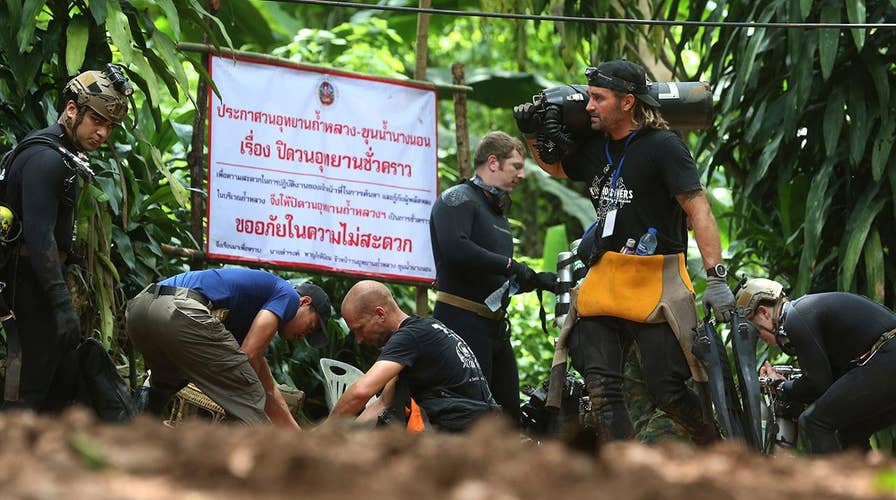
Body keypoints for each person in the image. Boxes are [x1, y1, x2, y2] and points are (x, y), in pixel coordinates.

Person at [513, 60, 734, 445]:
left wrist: (716, 279)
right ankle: (622, 471)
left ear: (628, 101)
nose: (589, 107)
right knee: (602, 393)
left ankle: (717, 448)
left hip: (655, 282)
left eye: (598, 98)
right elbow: (558, 169)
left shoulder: (665, 147)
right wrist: (532, 133)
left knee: (669, 391)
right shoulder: (596, 147)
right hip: (606, 280)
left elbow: (698, 209)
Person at [1, 68, 131, 411]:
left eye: (110, 126)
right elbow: (39, 235)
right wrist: (61, 304)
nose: (102, 132)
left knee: (47, 386)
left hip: (31, 283)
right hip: (26, 284)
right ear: (72, 109)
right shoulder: (48, 157)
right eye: (96, 120)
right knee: (28, 390)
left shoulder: (56, 151)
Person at [429, 131, 557, 424]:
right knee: (473, 413)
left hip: (494, 327)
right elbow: (456, 249)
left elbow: (493, 274)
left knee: (510, 414)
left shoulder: (495, 212)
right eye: (516, 166)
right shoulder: (457, 199)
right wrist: (511, 265)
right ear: (493, 162)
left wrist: (536, 279)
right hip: (461, 322)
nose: (522, 175)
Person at [126, 268, 332, 429]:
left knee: (165, 383)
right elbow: (250, 357)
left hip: (140, 309)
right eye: (311, 326)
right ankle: (262, 465)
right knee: (250, 393)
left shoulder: (247, 309)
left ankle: (127, 437)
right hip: (179, 310)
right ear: (304, 302)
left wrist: (294, 432)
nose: (305, 336)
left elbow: (264, 379)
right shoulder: (288, 295)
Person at [736, 278, 896, 454]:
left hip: (887, 357)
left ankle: (829, 482)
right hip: (886, 358)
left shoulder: (795, 317)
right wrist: (787, 385)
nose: (762, 339)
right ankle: (865, 480)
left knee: (814, 422)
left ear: (764, 313)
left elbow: (817, 384)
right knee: (851, 429)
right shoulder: (804, 311)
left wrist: (780, 386)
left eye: (758, 331)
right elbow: (831, 384)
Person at [330, 280, 499, 432]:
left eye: (359, 329)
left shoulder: (410, 336)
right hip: (480, 425)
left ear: (380, 314)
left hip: (465, 434)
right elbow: (383, 403)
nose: (359, 340)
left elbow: (360, 392)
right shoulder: (424, 330)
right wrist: (349, 438)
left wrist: (323, 431)